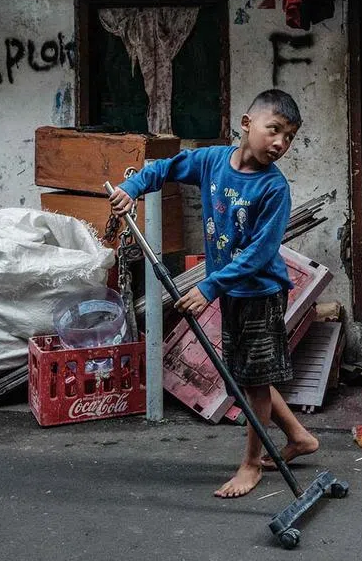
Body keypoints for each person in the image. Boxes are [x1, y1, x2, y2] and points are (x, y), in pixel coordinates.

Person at [109, 89, 319, 498]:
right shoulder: (211, 162)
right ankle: (299, 437)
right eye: (274, 130)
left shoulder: (274, 189)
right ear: (246, 124)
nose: (280, 143)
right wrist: (131, 187)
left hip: (260, 292)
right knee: (247, 377)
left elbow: (260, 253)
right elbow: (166, 168)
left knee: (253, 383)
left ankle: (251, 464)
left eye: (289, 137)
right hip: (230, 292)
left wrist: (208, 286)